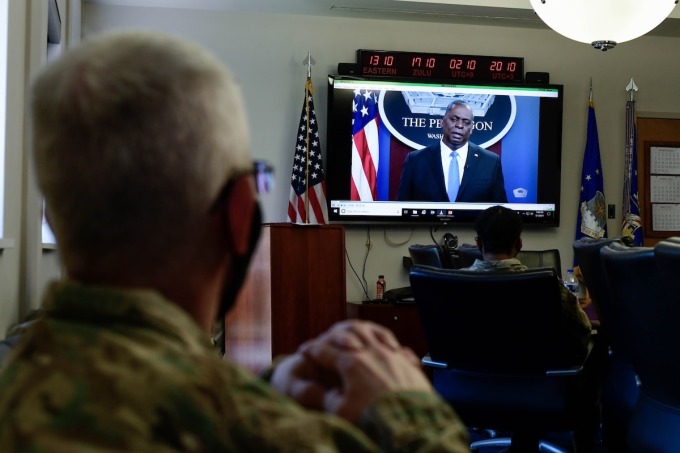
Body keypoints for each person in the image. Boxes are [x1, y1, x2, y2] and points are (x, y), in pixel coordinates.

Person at [0, 30, 470, 452]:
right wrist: (411, 411)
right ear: (240, 212)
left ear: (53, 218)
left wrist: (263, 384)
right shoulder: (257, 432)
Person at [461, 205, 594, 452]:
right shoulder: (546, 286)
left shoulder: (451, 286)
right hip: (537, 394)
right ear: (519, 243)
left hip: (468, 393)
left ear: (479, 243)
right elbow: (583, 330)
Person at [397, 100, 507, 203]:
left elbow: (499, 212)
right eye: (454, 119)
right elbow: (402, 205)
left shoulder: (490, 162)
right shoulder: (415, 160)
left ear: (472, 128)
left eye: (466, 122)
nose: (459, 125)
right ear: (442, 122)